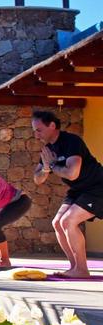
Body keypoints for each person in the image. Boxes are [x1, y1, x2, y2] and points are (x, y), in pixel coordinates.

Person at [32, 110, 103, 278]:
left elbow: (72, 173)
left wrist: (52, 167)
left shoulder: (71, 141)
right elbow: (38, 179)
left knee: (68, 221)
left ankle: (82, 269)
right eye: (34, 130)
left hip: (97, 187)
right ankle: (75, 268)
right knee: (57, 223)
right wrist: (47, 168)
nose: (36, 135)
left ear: (52, 126)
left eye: (39, 130)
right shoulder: (49, 149)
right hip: (78, 190)